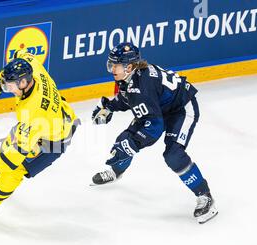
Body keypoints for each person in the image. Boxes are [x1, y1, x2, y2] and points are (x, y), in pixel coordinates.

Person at [91, 42, 217, 224]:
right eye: (111, 63)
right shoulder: (130, 78)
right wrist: (109, 107)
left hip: (181, 109)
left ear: (129, 66)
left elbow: (154, 127)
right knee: (124, 140)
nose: (111, 68)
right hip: (158, 108)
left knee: (173, 155)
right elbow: (128, 98)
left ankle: (205, 196)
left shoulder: (142, 86)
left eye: (115, 65)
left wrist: (133, 145)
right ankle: (116, 171)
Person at [0, 50, 79, 221]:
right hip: (54, 119)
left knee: (13, 170)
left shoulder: (34, 114)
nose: (7, 88)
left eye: (9, 85)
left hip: (51, 142)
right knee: (5, 148)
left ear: (23, 82)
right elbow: (21, 54)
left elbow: (13, 157)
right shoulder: (33, 69)